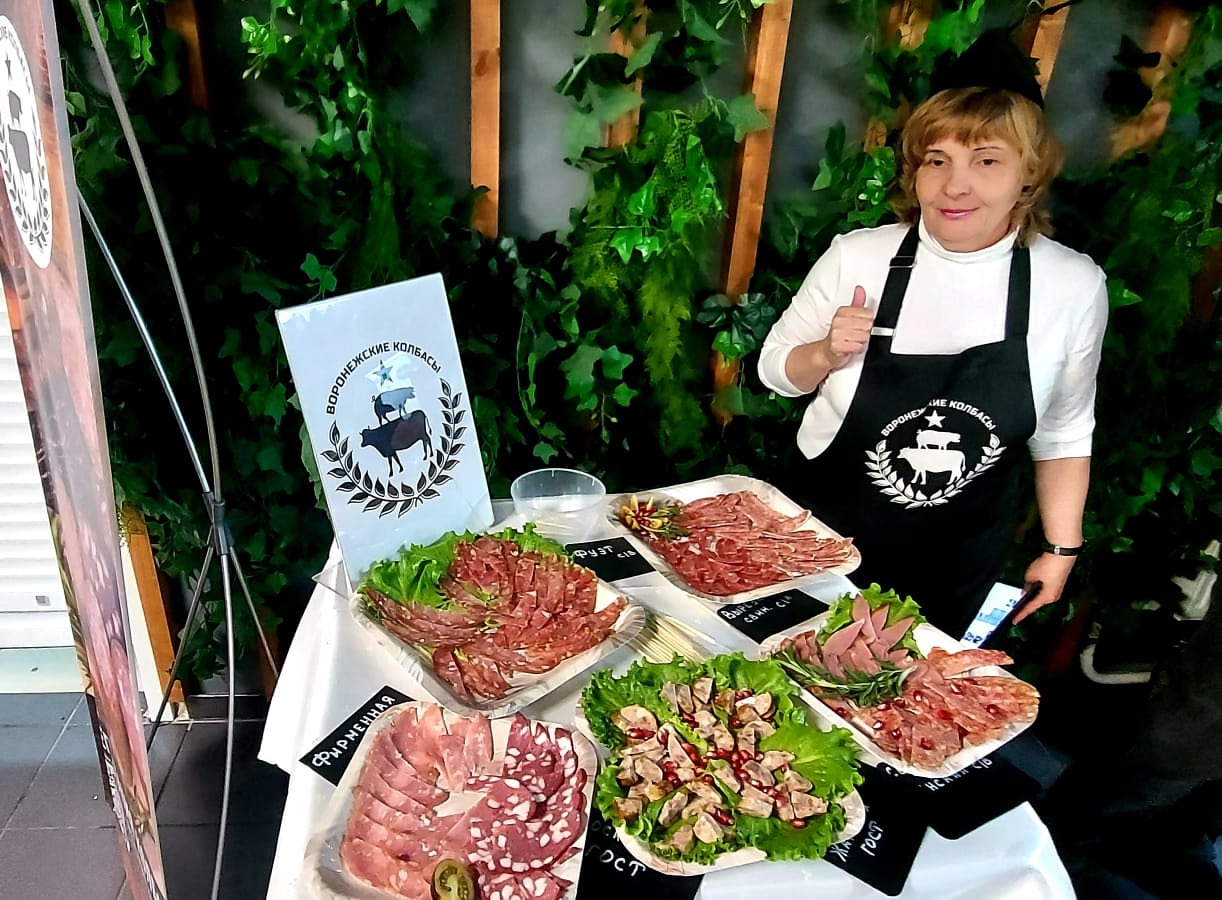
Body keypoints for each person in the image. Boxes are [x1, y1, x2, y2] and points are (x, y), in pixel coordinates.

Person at [757, 32, 1109, 639]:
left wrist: (1061, 549)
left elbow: (1063, 431)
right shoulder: (859, 258)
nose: (955, 186)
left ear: (1029, 172)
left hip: (956, 567)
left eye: (986, 161)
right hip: (816, 545)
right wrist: (825, 352)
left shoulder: (1071, 285)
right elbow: (775, 373)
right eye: (937, 160)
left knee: (907, 693)